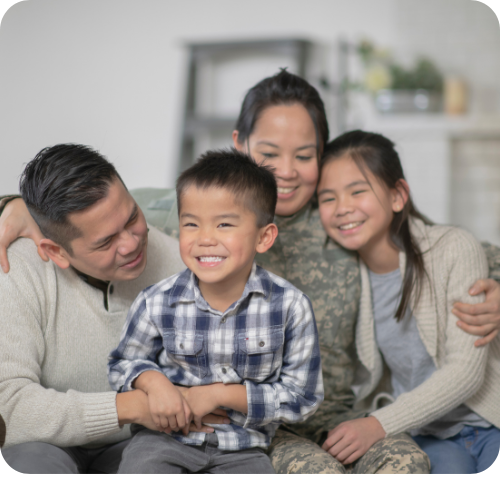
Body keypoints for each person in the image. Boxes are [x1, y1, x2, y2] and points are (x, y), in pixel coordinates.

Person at [2, 70, 500, 473]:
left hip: (335, 412)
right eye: (268, 154)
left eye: (304, 156)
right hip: (249, 430)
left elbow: (432, 243)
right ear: (240, 145)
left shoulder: (341, 217)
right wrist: (16, 205)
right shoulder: (190, 228)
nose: (285, 170)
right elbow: (122, 212)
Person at [0, 144, 230, 474]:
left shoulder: (181, 267)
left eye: (133, 217)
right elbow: (9, 407)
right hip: (42, 446)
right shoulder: (18, 271)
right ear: (57, 251)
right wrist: (128, 406)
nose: (132, 243)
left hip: (138, 442)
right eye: (106, 242)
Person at [108, 149, 323, 474]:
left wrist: (220, 395)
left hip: (244, 449)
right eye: (191, 224)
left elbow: (302, 397)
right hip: (164, 441)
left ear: (263, 237)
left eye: (224, 224)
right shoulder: (157, 301)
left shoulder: (290, 306)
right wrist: (156, 384)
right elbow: (121, 366)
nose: (205, 239)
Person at [316, 130, 500, 474]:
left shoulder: (453, 248)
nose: (343, 208)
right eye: (328, 199)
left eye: (358, 191)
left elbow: (466, 372)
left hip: (491, 421)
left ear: (398, 195)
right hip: (429, 434)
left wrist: (377, 424)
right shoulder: (345, 276)